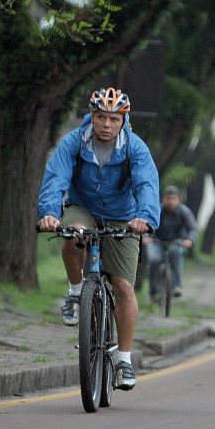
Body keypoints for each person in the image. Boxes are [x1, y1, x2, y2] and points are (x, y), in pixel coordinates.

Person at [37, 87, 160, 391]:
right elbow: (55, 179)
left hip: (125, 216)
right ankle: (77, 290)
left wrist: (144, 219)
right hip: (83, 208)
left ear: (123, 121)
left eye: (114, 119)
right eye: (101, 117)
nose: (107, 124)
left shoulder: (136, 148)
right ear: (91, 117)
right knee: (73, 235)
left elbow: (147, 184)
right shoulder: (73, 143)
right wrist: (50, 213)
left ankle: (124, 359)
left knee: (123, 286)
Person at [144, 185, 198, 298]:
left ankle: (176, 286)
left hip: (176, 242)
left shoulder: (184, 212)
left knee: (176, 254)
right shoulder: (157, 210)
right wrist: (146, 237)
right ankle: (154, 290)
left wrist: (189, 240)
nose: (171, 201)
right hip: (156, 241)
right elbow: (146, 224)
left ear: (178, 200)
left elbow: (192, 228)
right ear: (163, 199)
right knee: (154, 260)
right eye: (168, 198)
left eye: (174, 198)